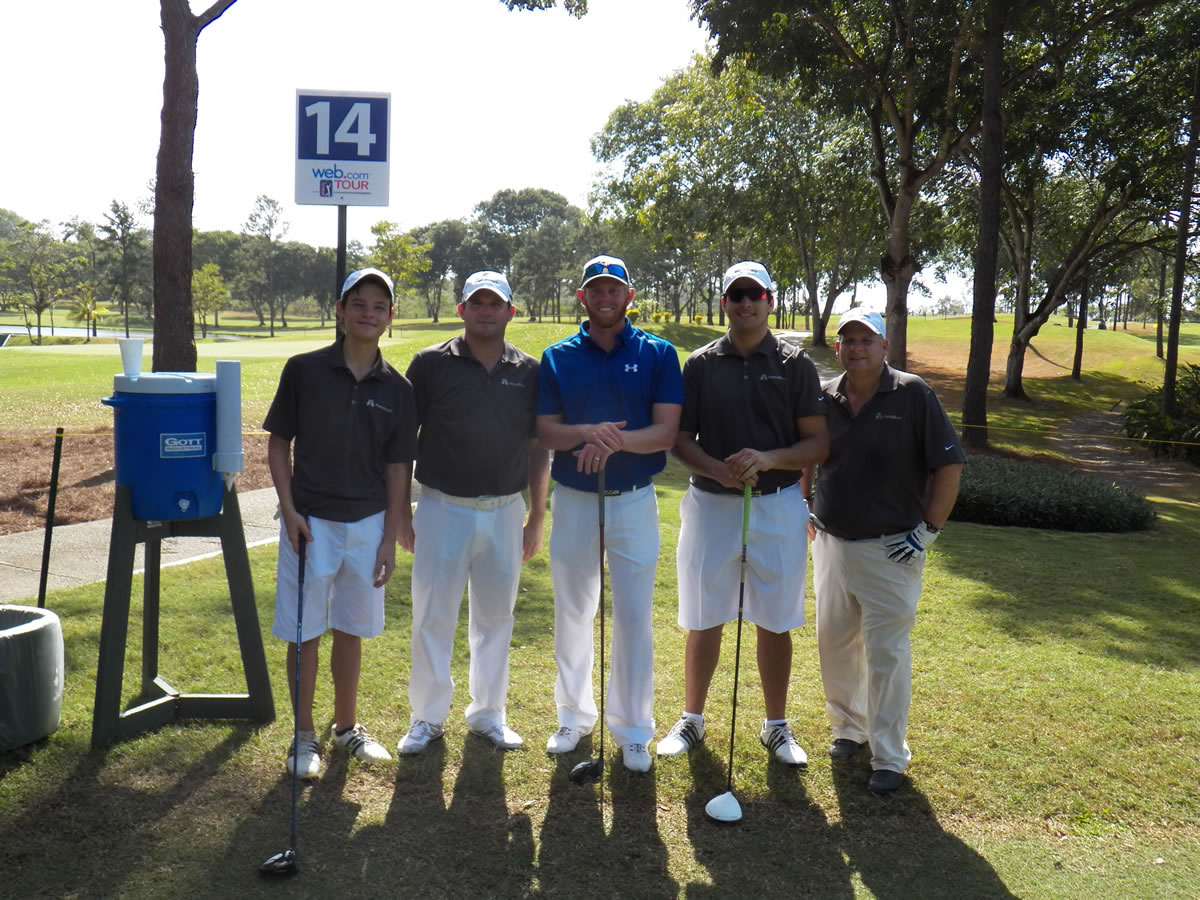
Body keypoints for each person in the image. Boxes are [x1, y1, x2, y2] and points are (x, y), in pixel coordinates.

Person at [658, 261, 829, 766]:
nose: (746, 302)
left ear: (770, 301)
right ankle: (692, 719)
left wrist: (768, 459)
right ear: (725, 303)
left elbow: (818, 442)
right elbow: (679, 440)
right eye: (737, 295)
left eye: (755, 294)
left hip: (777, 504)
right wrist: (719, 470)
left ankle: (776, 726)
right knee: (704, 614)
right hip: (711, 505)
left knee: (775, 619)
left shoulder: (795, 364)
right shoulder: (701, 364)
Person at [264, 266, 417, 779]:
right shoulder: (303, 370)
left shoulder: (398, 388)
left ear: (390, 317)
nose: (368, 314)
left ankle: (346, 727)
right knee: (305, 631)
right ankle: (304, 734)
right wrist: (288, 510)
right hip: (309, 524)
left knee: (351, 628)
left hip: (368, 524)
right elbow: (279, 443)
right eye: (359, 304)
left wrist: (390, 538)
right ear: (340, 310)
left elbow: (398, 467)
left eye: (379, 307)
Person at [804, 309, 965, 795]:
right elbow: (808, 452)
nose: (856, 348)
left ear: (884, 347)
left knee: (886, 654)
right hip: (831, 542)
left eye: (866, 340)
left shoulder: (914, 394)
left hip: (891, 549)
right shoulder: (824, 396)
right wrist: (804, 501)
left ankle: (889, 755)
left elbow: (949, 466)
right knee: (834, 644)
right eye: (848, 340)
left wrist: (928, 530)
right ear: (838, 348)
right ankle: (848, 729)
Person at [535, 254, 683, 773]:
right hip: (575, 500)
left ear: (628, 296)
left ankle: (634, 730)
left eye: (613, 289)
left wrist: (612, 442)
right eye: (595, 289)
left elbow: (665, 433)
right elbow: (545, 431)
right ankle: (573, 717)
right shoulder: (557, 357)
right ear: (582, 297)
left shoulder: (658, 353)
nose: (604, 297)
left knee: (635, 616)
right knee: (574, 612)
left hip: (635, 500)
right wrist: (588, 433)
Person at [396, 271, 550, 755]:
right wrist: (399, 511)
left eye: (495, 303)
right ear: (461, 309)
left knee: (496, 618)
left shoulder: (529, 370)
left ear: (511, 312)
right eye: (477, 303)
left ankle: (488, 714)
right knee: (432, 616)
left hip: (505, 510)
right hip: (442, 507)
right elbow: (401, 443)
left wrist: (536, 516)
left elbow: (538, 447)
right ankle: (426, 717)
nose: (486, 311)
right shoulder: (429, 364)